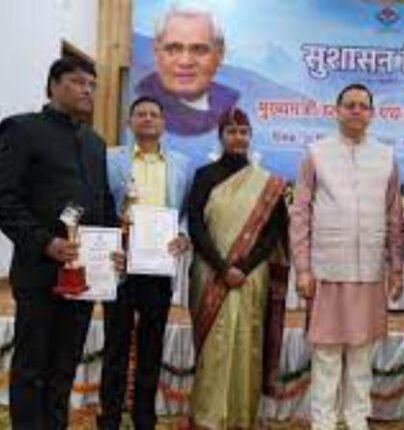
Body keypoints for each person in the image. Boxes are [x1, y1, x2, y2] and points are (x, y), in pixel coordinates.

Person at [0, 57, 121, 429]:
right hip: (40, 272)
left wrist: (113, 248)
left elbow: (103, 204)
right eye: (78, 81)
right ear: (53, 84)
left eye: (92, 84)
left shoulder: (95, 143)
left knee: (64, 367)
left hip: (83, 277)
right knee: (32, 367)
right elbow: (4, 199)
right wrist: (45, 242)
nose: (88, 90)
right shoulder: (22, 129)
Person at [289, 83, 404, 430]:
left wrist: (397, 268)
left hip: (369, 272)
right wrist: (303, 268)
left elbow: (394, 216)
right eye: (349, 105)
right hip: (327, 270)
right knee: (325, 357)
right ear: (336, 111)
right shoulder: (316, 153)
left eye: (363, 106)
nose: (356, 111)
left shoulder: (385, 156)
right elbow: (300, 213)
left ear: (372, 114)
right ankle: (323, 423)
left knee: (361, 358)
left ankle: (356, 422)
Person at [187, 108, 289, 428]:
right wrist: (222, 267)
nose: (238, 137)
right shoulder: (204, 176)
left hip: (250, 275)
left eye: (243, 132)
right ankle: (207, 416)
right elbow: (195, 225)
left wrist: (243, 266)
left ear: (250, 136)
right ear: (221, 136)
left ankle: (241, 416)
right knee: (212, 345)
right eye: (231, 131)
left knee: (247, 341)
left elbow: (273, 232)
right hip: (210, 271)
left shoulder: (267, 183)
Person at [97, 96, 192, 430]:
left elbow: (186, 211)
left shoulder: (181, 164)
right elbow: (102, 205)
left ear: (163, 123)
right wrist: (111, 242)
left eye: (154, 114)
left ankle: (144, 419)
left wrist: (183, 235)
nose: (148, 118)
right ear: (130, 122)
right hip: (120, 267)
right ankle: (109, 419)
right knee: (115, 347)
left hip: (158, 268)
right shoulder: (110, 159)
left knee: (151, 347)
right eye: (141, 114)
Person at [135, 3, 237, 137]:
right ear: (156, 52)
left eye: (199, 49)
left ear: (220, 54)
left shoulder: (232, 101)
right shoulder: (141, 100)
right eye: (173, 49)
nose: (185, 62)